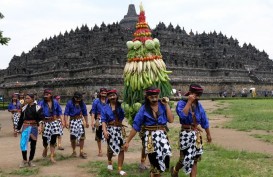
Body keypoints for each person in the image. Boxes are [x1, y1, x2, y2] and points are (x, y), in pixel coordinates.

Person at [124, 87, 174, 177]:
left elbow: (170, 120)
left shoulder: (163, 106)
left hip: (162, 138)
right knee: (154, 163)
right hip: (150, 138)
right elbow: (136, 127)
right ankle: (154, 173)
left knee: (165, 159)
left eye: (156, 96)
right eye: (152, 97)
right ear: (147, 97)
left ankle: (155, 173)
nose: (154, 99)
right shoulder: (143, 109)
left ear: (158, 96)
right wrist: (127, 141)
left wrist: (166, 105)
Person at [171, 84, 212, 177]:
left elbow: (204, 120)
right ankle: (175, 170)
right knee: (183, 159)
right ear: (191, 93)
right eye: (195, 94)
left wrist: (208, 134)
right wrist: (189, 102)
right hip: (185, 134)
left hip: (196, 134)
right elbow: (182, 115)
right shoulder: (181, 103)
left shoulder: (199, 106)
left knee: (194, 159)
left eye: (198, 95)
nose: (197, 97)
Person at [101, 89, 127, 176]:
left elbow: (125, 115)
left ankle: (120, 169)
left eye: (114, 95)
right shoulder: (105, 108)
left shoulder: (121, 106)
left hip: (119, 129)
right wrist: (104, 131)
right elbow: (103, 121)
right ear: (108, 97)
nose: (112, 97)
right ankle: (109, 162)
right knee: (110, 150)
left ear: (116, 96)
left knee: (122, 149)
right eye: (110, 96)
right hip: (110, 129)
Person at [15, 93, 44, 168]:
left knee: (33, 145)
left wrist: (40, 126)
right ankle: (24, 160)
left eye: (28, 98)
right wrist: (17, 129)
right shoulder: (24, 108)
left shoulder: (38, 108)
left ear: (32, 99)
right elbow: (21, 119)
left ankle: (30, 160)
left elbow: (40, 119)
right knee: (23, 143)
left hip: (33, 127)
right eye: (25, 98)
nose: (26, 99)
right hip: (25, 126)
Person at [39, 89, 63, 163]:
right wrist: (40, 125)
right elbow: (38, 114)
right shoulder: (41, 103)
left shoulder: (55, 102)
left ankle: (52, 156)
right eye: (45, 94)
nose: (46, 95)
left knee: (53, 139)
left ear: (50, 95)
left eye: (47, 94)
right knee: (45, 139)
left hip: (54, 122)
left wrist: (63, 121)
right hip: (45, 122)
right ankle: (45, 148)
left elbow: (59, 112)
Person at [64, 91, 89, 159]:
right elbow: (66, 113)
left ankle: (81, 151)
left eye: (79, 98)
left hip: (80, 121)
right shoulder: (69, 103)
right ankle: (74, 151)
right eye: (77, 98)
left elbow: (85, 113)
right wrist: (66, 122)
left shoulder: (82, 103)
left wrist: (87, 122)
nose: (78, 100)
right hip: (73, 121)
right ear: (74, 97)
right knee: (73, 137)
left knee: (82, 137)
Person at [90, 88, 108, 157]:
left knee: (108, 134)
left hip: (107, 119)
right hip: (98, 119)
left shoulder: (108, 100)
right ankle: (100, 150)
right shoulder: (96, 101)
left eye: (105, 93)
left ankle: (108, 150)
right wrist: (92, 121)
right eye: (102, 93)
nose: (104, 94)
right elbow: (93, 112)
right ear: (100, 93)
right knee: (98, 135)